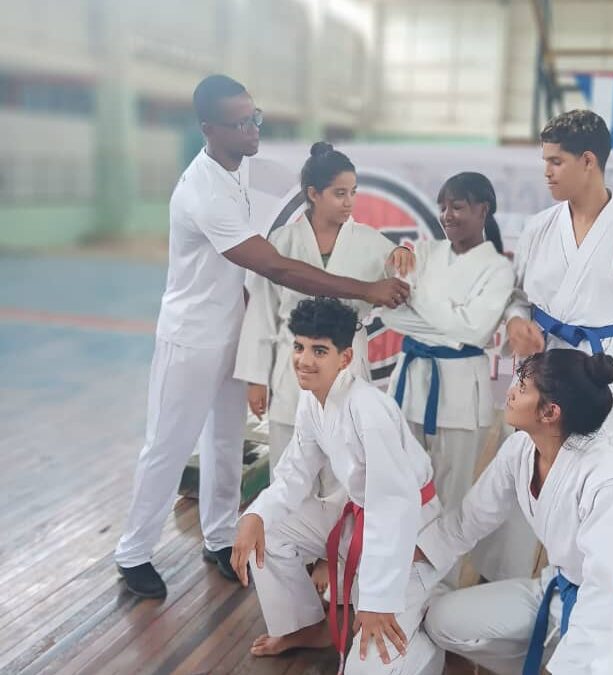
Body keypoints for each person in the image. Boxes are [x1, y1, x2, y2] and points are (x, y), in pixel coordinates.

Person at [114, 74, 409, 599]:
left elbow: (312, 185)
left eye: (256, 117)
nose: (253, 128)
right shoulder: (203, 192)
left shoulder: (242, 167)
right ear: (209, 129)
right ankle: (133, 552)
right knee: (167, 445)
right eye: (241, 122)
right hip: (191, 338)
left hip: (232, 329)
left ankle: (221, 536)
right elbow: (280, 269)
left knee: (226, 442)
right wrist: (367, 287)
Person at [475, 109, 613, 583]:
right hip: (541, 373)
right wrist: (518, 321)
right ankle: (499, 580)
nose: (546, 171)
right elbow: (519, 296)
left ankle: (601, 592)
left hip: (603, 374)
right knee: (525, 473)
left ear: (589, 161)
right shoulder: (541, 227)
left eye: (556, 161)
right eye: (544, 160)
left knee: (605, 485)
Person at [416, 349, 613, 674]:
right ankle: (551, 654)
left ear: (550, 412)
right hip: (557, 590)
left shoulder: (606, 478)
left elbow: (601, 589)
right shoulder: (520, 449)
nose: (511, 391)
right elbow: (469, 521)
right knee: (443, 620)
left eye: (523, 387)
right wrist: (411, 556)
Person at [231, 297, 444, 675]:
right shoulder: (312, 400)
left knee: (368, 667)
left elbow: (392, 510)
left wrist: (377, 601)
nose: (304, 360)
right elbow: (295, 472)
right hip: (358, 515)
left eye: (319, 350)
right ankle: (307, 627)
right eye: (298, 347)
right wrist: (256, 513)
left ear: (345, 358)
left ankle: (429, 637)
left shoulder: (369, 410)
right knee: (270, 527)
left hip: (411, 537)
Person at [234, 141, 412, 488]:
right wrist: (255, 379)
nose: (349, 202)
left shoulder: (370, 241)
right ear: (313, 194)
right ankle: (285, 542)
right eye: (339, 193)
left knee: (344, 475)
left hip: (345, 368)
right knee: (289, 472)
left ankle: (339, 543)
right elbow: (262, 311)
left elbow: (402, 278)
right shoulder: (283, 240)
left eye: (353, 193)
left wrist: (404, 253)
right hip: (293, 368)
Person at [379, 172, 513, 583]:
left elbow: (473, 330)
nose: (446, 215)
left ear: (481, 210)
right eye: (442, 207)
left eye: (457, 206)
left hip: (458, 392)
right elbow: (388, 312)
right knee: (401, 487)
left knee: (450, 497)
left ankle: (441, 589)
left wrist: (419, 301)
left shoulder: (498, 269)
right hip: (411, 381)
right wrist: (445, 319)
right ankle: (395, 583)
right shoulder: (422, 251)